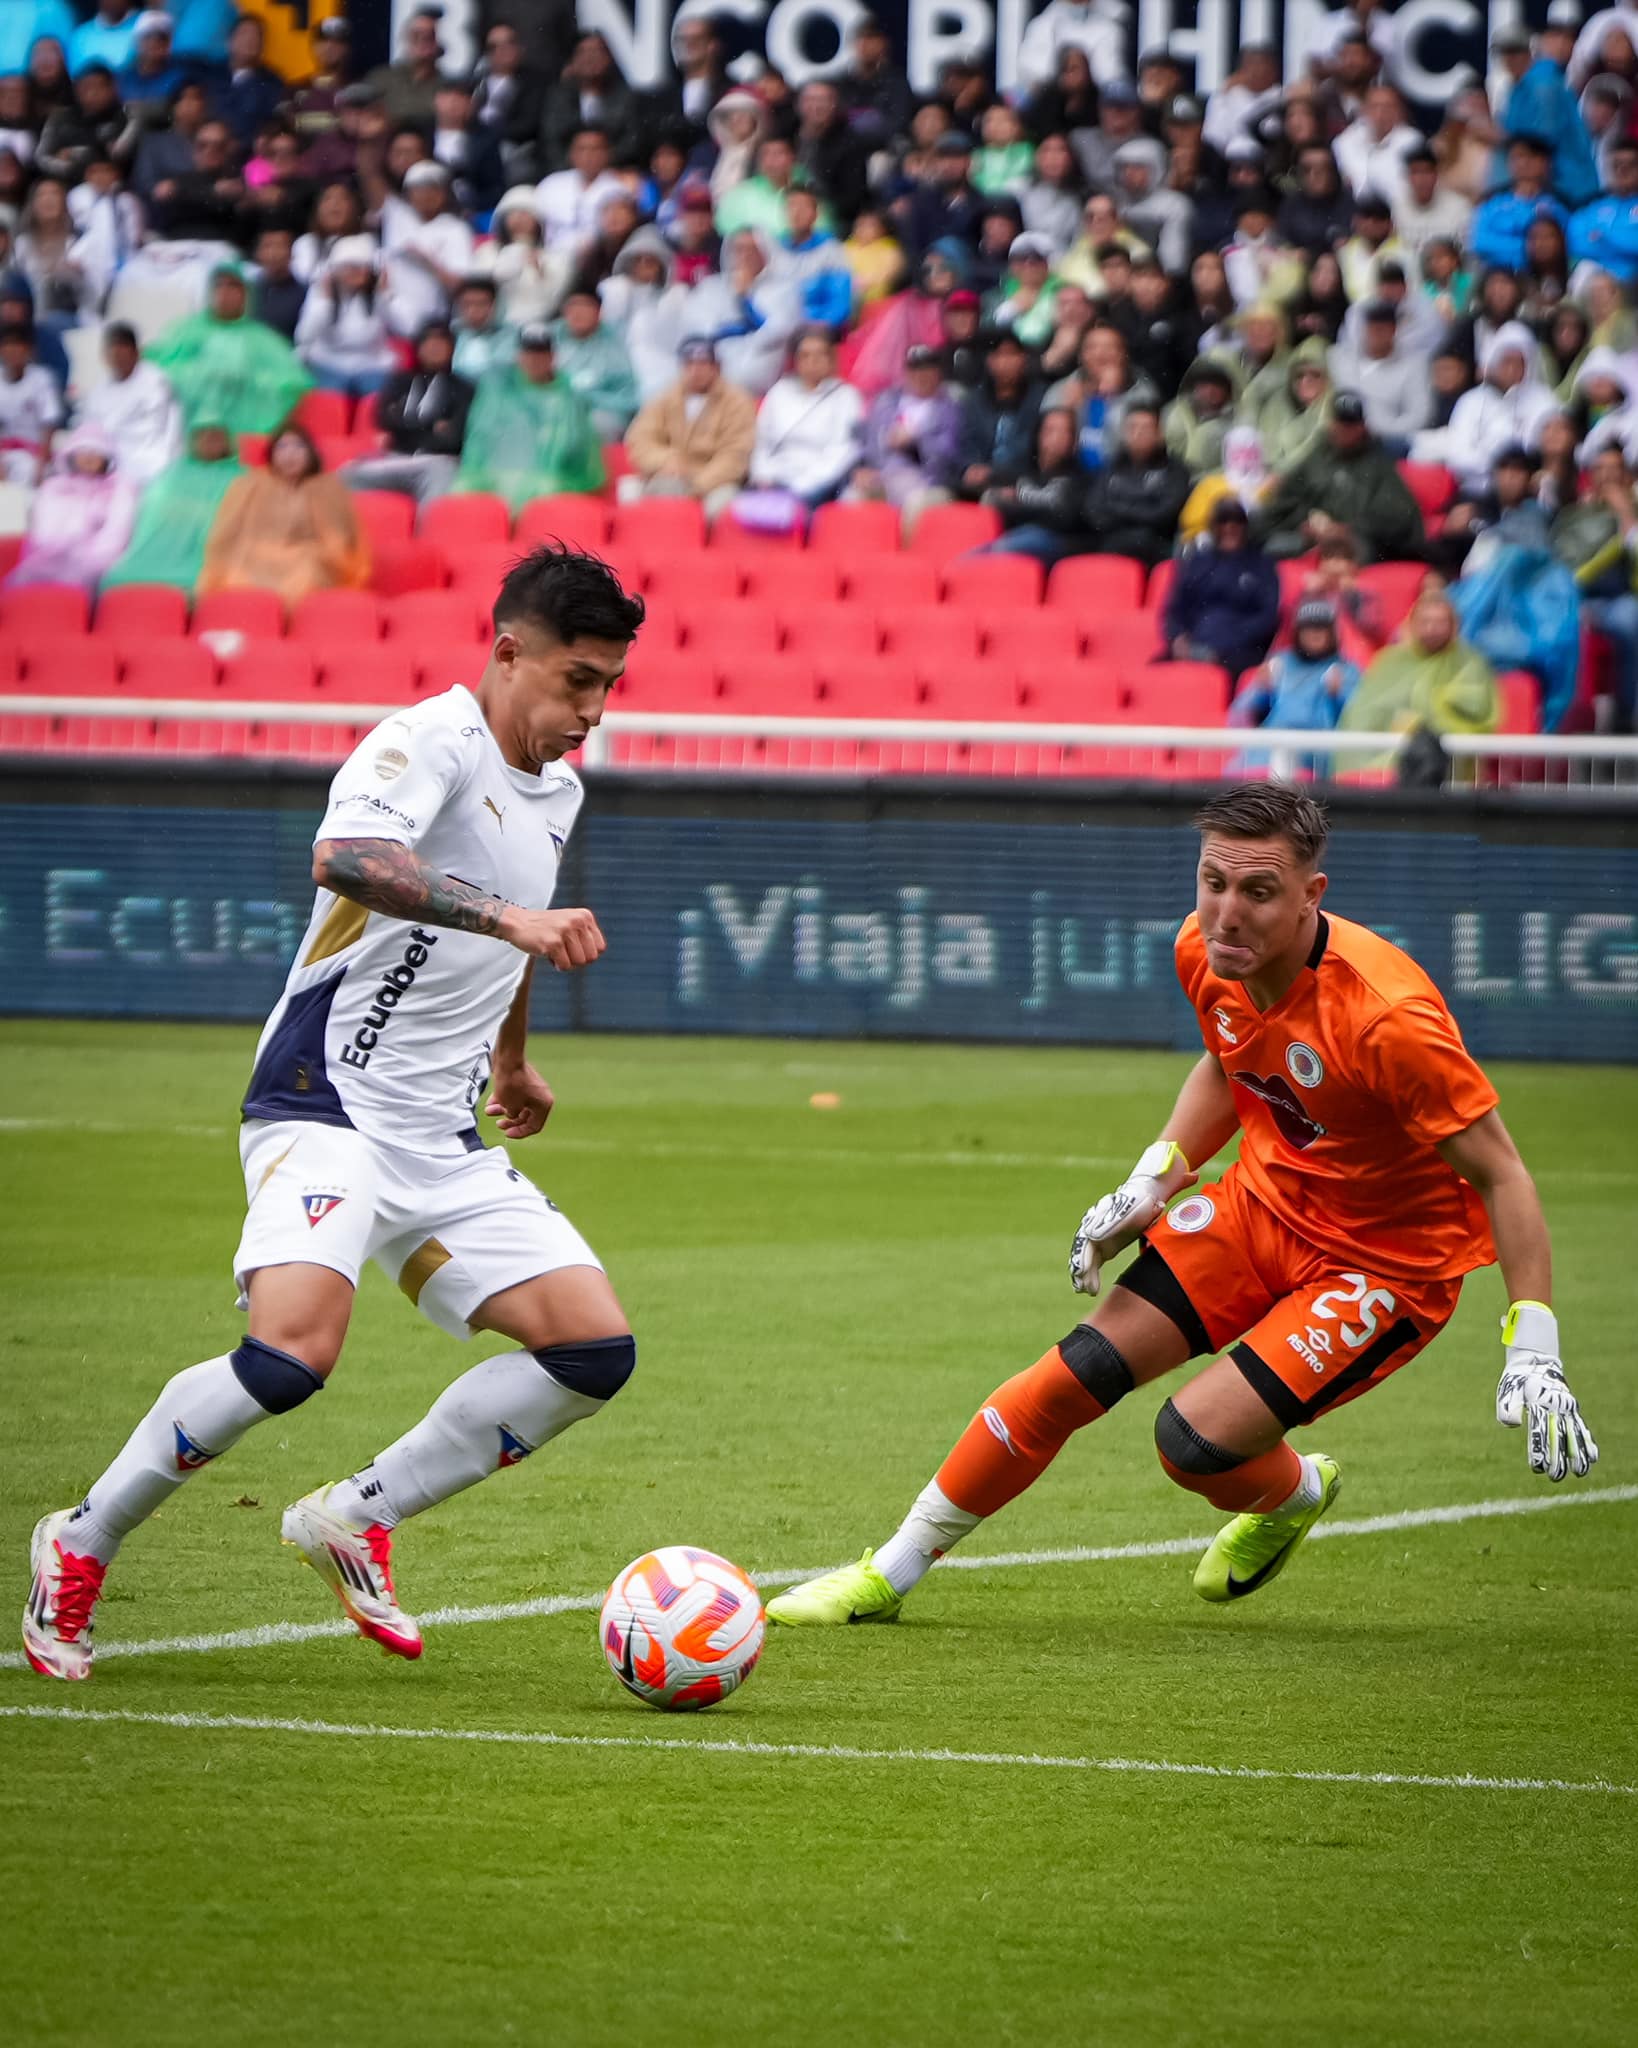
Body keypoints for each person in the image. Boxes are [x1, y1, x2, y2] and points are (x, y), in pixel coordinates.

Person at [21, 545, 649, 1681]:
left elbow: (519, 933)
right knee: (292, 1353)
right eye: (576, 680)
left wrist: (514, 1060)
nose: (591, 710)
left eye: (608, 685)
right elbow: (348, 855)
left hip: (439, 1131)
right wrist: (511, 920)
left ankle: (355, 1513)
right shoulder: (427, 741)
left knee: (594, 1348)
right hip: (324, 1099)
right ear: (508, 653)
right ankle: (80, 1537)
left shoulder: (560, 788)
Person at [765, 780, 1596, 1635]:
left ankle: (1293, 1492)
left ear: (1313, 896)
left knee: (1192, 1445)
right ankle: (886, 1575)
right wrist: (1153, 1178)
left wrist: (1532, 1339)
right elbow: (1230, 1062)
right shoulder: (1202, 949)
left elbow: (1504, 1175)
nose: (1227, 913)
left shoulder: (1389, 1019)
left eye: (1258, 892)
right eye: (1213, 882)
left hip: (1384, 1265)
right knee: (1072, 1374)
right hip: (1262, 1208)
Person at [199, 419, 369, 608]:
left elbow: (339, 543)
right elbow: (229, 534)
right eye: (282, 448)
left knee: (309, 565)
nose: (290, 455)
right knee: (240, 565)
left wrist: (309, 550)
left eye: (298, 447)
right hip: (260, 556)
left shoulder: (330, 488)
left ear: (310, 453)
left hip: (309, 559)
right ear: (272, 454)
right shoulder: (251, 484)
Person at [1338, 587, 1499, 770]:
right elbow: (1364, 713)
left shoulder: (1471, 663)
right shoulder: (1390, 661)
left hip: (1452, 766)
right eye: (1425, 622)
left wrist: (1425, 713)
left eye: (1440, 622)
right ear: (1412, 624)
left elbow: (1479, 707)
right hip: (1387, 764)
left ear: (1454, 626)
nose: (1432, 629)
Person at [1258, 392, 1424, 563]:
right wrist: (1305, 524)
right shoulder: (1317, 457)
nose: (1344, 430)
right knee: (1260, 535)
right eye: (1340, 422)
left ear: (1362, 427)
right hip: (1309, 538)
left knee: (1353, 550)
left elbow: (1399, 516)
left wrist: (1347, 529)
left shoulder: (1378, 463)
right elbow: (1288, 499)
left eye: (1351, 424)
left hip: (1355, 543)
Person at [147, 260, 310, 433]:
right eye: (219, 286)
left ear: (246, 294)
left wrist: (247, 380)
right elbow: (157, 368)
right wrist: (201, 375)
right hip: (187, 428)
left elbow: (291, 383)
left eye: (233, 286)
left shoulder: (264, 339)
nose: (225, 292)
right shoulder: (186, 330)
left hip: (244, 430)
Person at [456, 321, 604, 508]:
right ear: (519, 356)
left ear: (552, 357)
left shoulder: (569, 399)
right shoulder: (497, 393)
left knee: (545, 489)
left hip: (551, 481)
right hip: (496, 477)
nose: (535, 360)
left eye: (541, 354)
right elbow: (479, 441)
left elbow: (582, 454)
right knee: (463, 490)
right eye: (529, 353)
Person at [622, 334, 756, 519]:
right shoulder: (666, 397)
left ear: (716, 368)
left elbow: (735, 456)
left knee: (719, 507)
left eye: (703, 364)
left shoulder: (737, 402)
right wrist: (665, 460)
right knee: (628, 490)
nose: (696, 370)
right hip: (670, 474)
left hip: (715, 481)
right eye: (689, 364)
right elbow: (640, 438)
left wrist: (697, 485)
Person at [342, 318, 472, 505]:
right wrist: (430, 423)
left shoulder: (463, 388)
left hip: (437, 461)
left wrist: (405, 418)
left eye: (441, 342)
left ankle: (428, 533)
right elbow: (383, 418)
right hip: (398, 457)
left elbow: (453, 437)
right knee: (346, 475)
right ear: (418, 347)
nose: (434, 347)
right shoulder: (401, 381)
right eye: (428, 342)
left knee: (439, 476)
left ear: (451, 348)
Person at [101, 415, 243, 588]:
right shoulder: (173, 473)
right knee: (120, 577)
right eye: (202, 435)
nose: (208, 441)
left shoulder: (242, 477)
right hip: (163, 549)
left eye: (215, 436)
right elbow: (152, 514)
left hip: (214, 553)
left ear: (228, 441)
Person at [740, 324, 863, 518]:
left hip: (819, 485)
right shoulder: (779, 392)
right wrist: (764, 476)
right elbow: (762, 442)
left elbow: (843, 451)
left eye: (819, 355)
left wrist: (800, 487)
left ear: (831, 359)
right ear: (796, 360)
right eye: (805, 356)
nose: (812, 362)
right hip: (774, 480)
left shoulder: (847, 397)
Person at [2, 419, 136, 587]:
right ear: (71, 454)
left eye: (96, 452)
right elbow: (44, 535)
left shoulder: (119, 489)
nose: (89, 458)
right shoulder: (53, 488)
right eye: (83, 451)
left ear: (107, 458)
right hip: (48, 564)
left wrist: (88, 561)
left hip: (98, 570)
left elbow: (116, 535)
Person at [1163, 497, 1281, 675]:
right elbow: (1175, 608)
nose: (1230, 527)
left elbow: (1267, 616)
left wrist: (1228, 643)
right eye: (1223, 521)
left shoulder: (1262, 565)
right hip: (1195, 643)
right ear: (1214, 527)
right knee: (1157, 671)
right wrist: (1178, 637)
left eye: (1237, 521)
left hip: (1240, 648)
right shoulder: (1197, 562)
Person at [853, 343, 963, 523]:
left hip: (927, 482)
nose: (921, 376)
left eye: (927, 369)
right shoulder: (886, 402)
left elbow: (949, 456)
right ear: (906, 373)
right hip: (883, 476)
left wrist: (916, 443)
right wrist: (862, 468)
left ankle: (905, 552)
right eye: (915, 370)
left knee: (914, 504)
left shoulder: (949, 408)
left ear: (938, 373)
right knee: (853, 498)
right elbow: (865, 441)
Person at [971, 401, 1092, 563]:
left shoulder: (1080, 479)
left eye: (1065, 432)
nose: (1058, 438)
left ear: (1075, 441)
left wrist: (1017, 503)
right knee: (972, 555)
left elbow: (1063, 518)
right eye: (1051, 430)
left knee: (1005, 549)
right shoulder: (1022, 470)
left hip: (1057, 541)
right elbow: (991, 496)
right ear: (1038, 434)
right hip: (1019, 535)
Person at [1083, 399, 1190, 566]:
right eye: (1132, 427)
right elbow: (1094, 511)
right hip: (1111, 543)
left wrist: (1119, 509)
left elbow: (1165, 515)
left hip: (1156, 547)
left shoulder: (1175, 470)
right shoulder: (1111, 467)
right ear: (1124, 432)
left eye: (1146, 428)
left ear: (1159, 433)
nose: (1138, 433)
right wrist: (1139, 510)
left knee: (1140, 540)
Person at [79, 318, 181, 485]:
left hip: (150, 464)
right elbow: (91, 432)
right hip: (108, 466)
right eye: (111, 349)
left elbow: (169, 434)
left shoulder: (157, 383)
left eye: (122, 347)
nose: (116, 354)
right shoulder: (98, 391)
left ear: (136, 352)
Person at [294, 237, 399, 396]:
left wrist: (385, 297)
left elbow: (405, 327)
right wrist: (325, 303)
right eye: (349, 267)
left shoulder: (379, 294)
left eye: (362, 267)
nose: (356, 273)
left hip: (372, 365)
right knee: (328, 404)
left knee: (377, 402)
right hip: (329, 364)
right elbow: (303, 335)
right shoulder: (321, 292)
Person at [550, 287, 638, 441]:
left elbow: (630, 398)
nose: (578, 313)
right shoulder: (549, 337)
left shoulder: (616, 344)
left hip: (597, 411)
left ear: (599, 313)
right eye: (573, 307)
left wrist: (589, 397)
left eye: (585, 307)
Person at [0, 321, 62, 480]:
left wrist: (40, 465)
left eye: (18, 345)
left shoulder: (41, 379)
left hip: (32, 453)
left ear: (29, 350)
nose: (13, 350)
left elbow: (49, 424)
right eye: (8, 345)